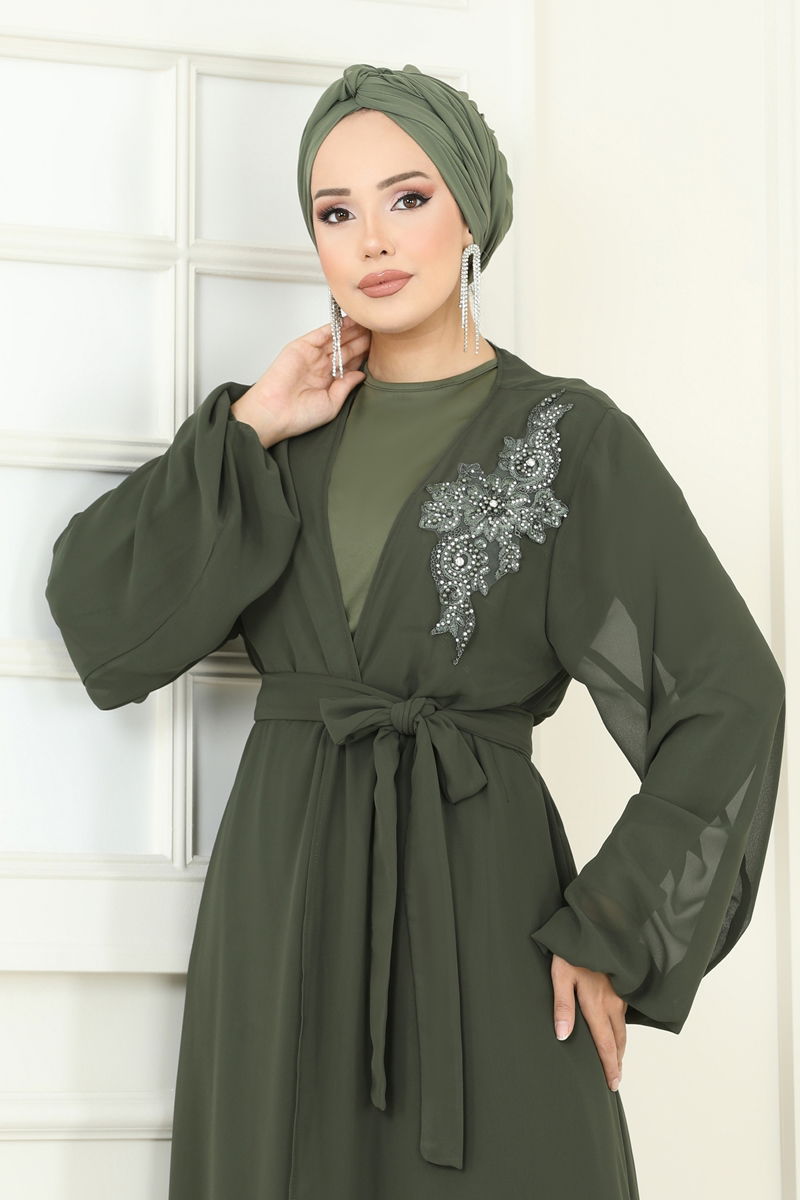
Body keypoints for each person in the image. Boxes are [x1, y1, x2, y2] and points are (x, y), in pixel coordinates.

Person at [44, 63, 786, 1200]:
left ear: (470, 214)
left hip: (480, 909)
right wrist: (251, 424)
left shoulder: (568, 439)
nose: (373, 240)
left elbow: (728, 694)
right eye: (335, 213)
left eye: (407, 197)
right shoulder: (282, 438)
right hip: (283, 901)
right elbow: (103, 617)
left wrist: (613, 928)